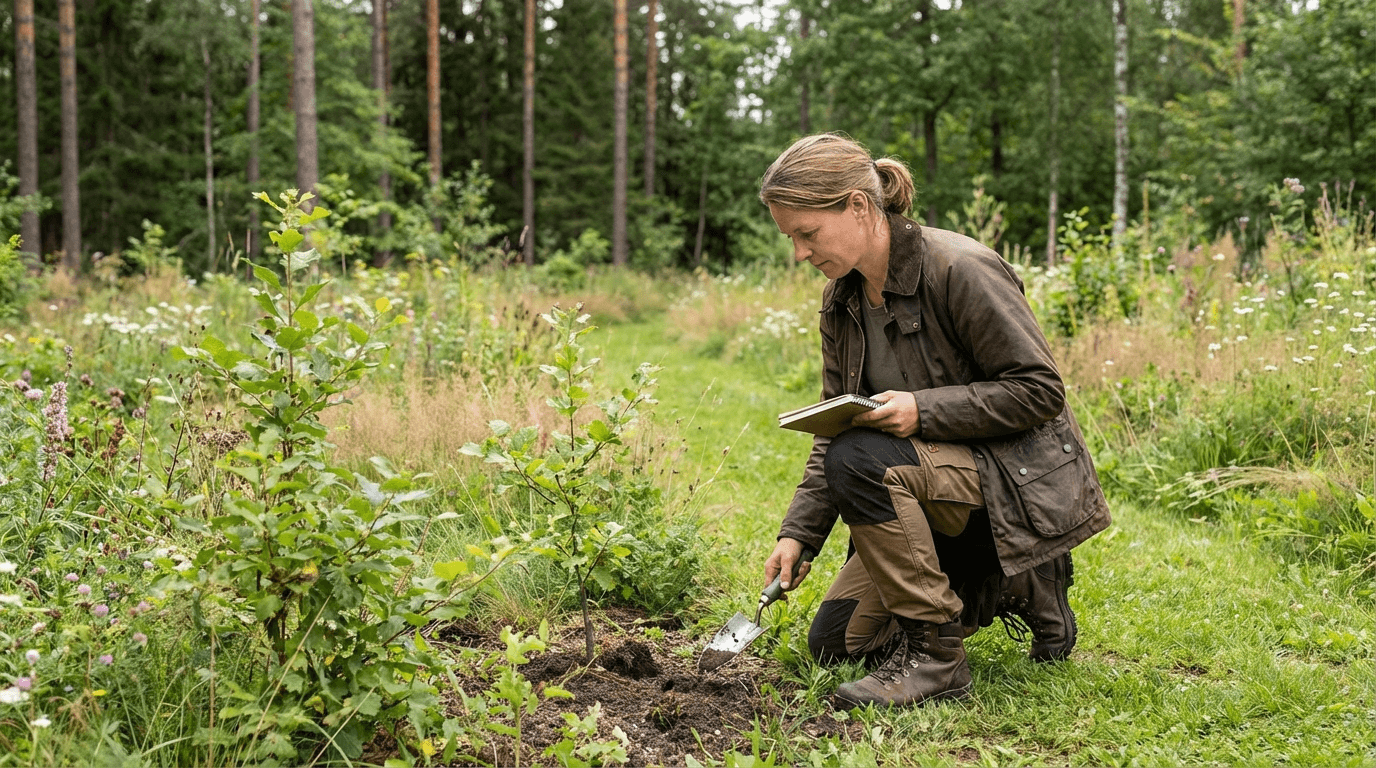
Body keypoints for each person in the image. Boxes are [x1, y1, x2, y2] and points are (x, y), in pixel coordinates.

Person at [758, 133, 1111, 708]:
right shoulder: (839, 301)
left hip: (1008, 476)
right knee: (834, 645)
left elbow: (1040, 391)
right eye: (790, 237)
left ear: (857, 204)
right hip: (922, 483)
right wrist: (799, 533)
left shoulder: (961, 268)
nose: (799, 252)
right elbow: (834, 429)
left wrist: (923, 409)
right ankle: (1004, 581)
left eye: (807, 233)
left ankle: (937, 655)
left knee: (863, 460)